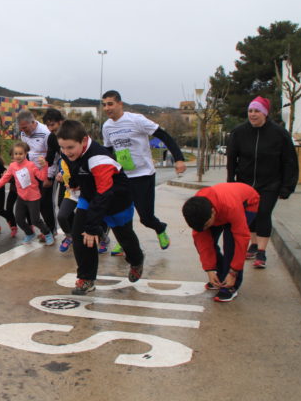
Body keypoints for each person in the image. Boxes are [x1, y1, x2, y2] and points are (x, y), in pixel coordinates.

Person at [58, 120, 145, 295]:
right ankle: (87, 279)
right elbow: (76, 168)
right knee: (79, 235)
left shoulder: (99, 159)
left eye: (70, 148)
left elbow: (104, 194)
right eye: (63, 148)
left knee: (125, 239)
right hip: (90, 198)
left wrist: (92, 228)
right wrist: (74, 182)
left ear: (83, 140)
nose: (66, 152)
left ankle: (137, 260)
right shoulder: (72, 151)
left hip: (116, 202)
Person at [101, 90, 186, 254]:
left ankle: (160, 228)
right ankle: (126, 242)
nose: (107, 108)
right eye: (104, 105)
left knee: (146, 218)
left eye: (110, 104)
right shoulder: (107, 126)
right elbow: (108, 150)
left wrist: (179, 158)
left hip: (143, 175)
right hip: (122, 176)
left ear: (120, 104)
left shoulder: (136, 120)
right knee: (122, 214)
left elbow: (163, 136)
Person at [226, 96, 299, 269]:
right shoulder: (239, 132)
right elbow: (231, 159)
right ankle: (253, 244)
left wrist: (287, 187)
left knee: (264, 213)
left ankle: (261, 252)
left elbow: (289, 161)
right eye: (250, 111)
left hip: (270, 183)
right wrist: (231, 182)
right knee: (250, 216)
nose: (253, 114)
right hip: (245, 183)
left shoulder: (279, 133)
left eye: (257, 111)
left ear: (265, 113)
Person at [182, 182, 260, 302]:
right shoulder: (197, 210)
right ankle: (220, 276)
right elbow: (203, 243)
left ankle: (231, 286)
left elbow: (242, 239)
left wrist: (233, 272)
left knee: (231, 243)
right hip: (220, 210)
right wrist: (210, 269)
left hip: (246, 204)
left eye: (207, 224)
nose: (205, 228)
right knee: (203, 240)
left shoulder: (231, 206)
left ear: (213, 212)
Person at [0, 142, 54, 245]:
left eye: (20, 153)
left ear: (25, 153)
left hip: (34, 198)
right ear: (12, 155)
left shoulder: (31, 165)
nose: (18, 156)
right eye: (16, 153)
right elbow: (4, 179)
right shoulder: (12, 166)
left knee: (35, 220)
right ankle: (30, 233)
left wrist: (44, 167)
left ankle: (47, 233)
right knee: (19, 219)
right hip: (21, 197)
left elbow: (41, 177)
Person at [17, 110, 56, 236]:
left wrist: (48, 177)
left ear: (33, 123)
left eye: (25, 127)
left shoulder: (46, 132)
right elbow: (26, 152)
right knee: (34, 202)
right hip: (32, 173)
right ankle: (43, 229)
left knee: (46, 203)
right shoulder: (23, 134)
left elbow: (53, 156)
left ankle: (51, 230)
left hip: (46, 172)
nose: (23, 130)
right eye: (21, 128)